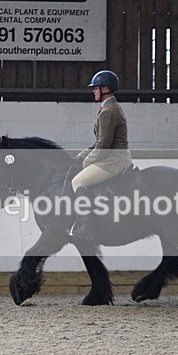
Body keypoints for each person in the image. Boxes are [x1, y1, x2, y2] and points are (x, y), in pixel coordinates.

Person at [69, 70, 132, 241]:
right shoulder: (108, 108)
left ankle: (87, 227)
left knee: (78, 181)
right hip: (112, 156)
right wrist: (80, 156)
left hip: (115, 160)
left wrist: (86, 163)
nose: (93, 91)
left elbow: (103, 145)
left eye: (96, 88)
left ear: (105, 89)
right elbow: (99, 141)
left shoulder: (109, 111)